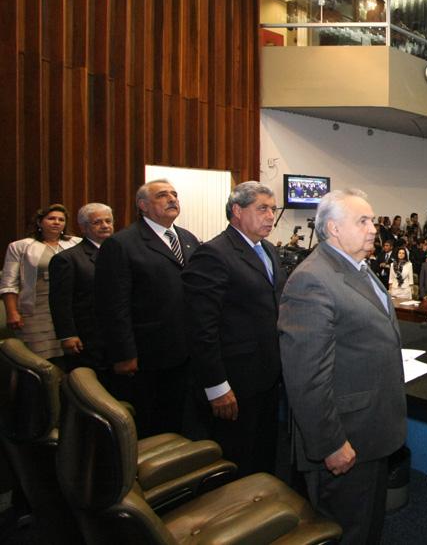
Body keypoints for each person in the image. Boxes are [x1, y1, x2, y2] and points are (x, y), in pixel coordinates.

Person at [279, 189, 406, 544]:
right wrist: (330, 443)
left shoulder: (357, 268)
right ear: (333, 228)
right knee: (347, 531)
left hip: (371, 429)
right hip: (345, 437)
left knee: (368, 526)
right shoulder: (312, 280)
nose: (373, 228)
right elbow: (306, 376)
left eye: (373, 220)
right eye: (362, 221)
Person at [182, 182, 285, 477]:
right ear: (237, 211)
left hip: (267, 375)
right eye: (262, 208)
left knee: (264, 455)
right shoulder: (213, 254)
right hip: (234, 381)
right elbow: (201, 328)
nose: (270, 216)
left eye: (273, 209)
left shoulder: (268, 250)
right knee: (236, 460)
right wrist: (216, 386)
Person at [95, 180, 199, 437]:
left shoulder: (187, 238)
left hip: (185, 349)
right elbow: (113, 305)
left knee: (180, 420)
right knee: (148, 425)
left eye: (174, 194)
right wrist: (123, 353)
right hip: (146, 354)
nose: (172, 199)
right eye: (163, 195)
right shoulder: (121, 244)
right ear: (142, 205)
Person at [3, 204, 81, 362]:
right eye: (51, 218)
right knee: (40, 358)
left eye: (61, 219)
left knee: (70, 356)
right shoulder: (20, 246)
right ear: (39, 222)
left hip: (69, 308)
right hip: (36, 308)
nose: (56, 222)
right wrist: (12, 312)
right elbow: (9, 283)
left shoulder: (76, 243)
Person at [49, 203, 115, 371]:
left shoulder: (121, 253)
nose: (105, 226)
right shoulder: (67, 259)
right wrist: (67, 335)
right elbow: (60, 302)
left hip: (116, 333)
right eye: (97, 222)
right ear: (84, 228)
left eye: (108, 221)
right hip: (88, 336)